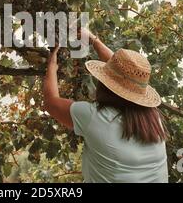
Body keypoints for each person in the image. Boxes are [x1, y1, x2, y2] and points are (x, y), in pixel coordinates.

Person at [42, 28, 168, 183]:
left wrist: (52, 65)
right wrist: (94, 40)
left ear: (106, 84)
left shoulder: (94, 118)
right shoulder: (154, 118)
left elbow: (51, 102)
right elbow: (126, 77)